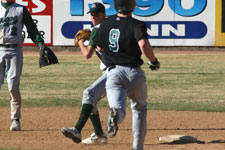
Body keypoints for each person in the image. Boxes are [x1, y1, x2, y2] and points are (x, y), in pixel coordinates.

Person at [93, 0, 160, 149]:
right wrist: (153, 61)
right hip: (134, 72)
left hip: (114, 73)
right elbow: (143, 44)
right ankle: (137, 147)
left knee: (118, 108)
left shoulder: (106, 22)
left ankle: (116, 116)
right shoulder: (136, 24)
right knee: (139, 108)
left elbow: (99, 45)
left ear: (116, 5)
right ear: (133, 5)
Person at [0, 0, 55, 131]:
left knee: (13, 85)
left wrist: (41, 44)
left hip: (15, 50)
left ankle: (15, 119)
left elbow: (32, 29)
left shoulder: (21, 9)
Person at [61, 2, 108, 145]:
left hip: (114, 72)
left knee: (89, 94)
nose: (93, 16)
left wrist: (81, 42)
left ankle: (77, 130)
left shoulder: (97, 30)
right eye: (91, 14)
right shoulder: (110, 27)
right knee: (91, 98)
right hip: (121, 70)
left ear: (103, 15)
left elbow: (87, 54)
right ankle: (99, 135)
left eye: (96, 14)